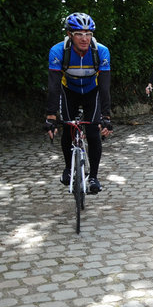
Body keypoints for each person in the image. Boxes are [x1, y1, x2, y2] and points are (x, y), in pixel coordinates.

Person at [44, 12, 112, 194]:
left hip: (92, 92)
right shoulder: (58, 51)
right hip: (69, 92)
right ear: (69, 34)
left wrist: (106, 115)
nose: (85, 38)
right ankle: (68, 168)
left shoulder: (101, 52)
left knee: (92, 132)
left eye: (88, 34)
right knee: (69, 128)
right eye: (79, 34)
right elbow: (54, 85)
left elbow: (105, 86)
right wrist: (51, 116)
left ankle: (94, 177)